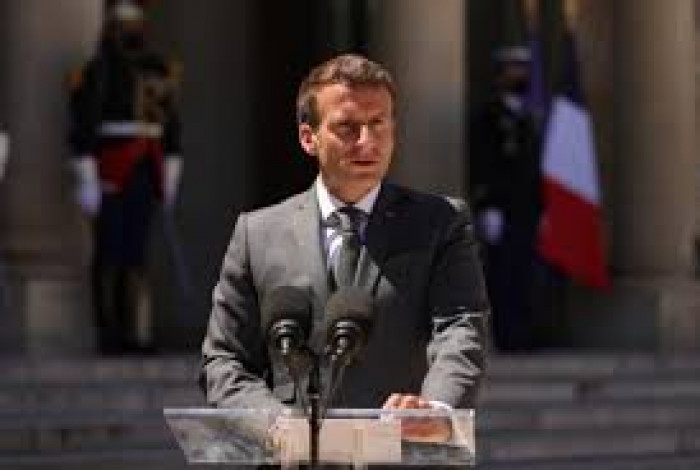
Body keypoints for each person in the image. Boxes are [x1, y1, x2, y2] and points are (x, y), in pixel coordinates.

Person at [200, 53, 489, 455]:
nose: (367, 141)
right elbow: (225, 360)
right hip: (292, 456)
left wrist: (436, 408)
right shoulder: (257, 234)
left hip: (402, 451)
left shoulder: (441, 222)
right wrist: (274, 424)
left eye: (378, 124)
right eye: (347, 127)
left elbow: (460, 328)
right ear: (309, 137)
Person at [68, 0, 183, 354]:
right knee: (109, 249)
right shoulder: (97, 72)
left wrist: (170, 175)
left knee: (136, 252)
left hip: (145, 167)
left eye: (134, 25)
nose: (130, 33)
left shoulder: (159, 70)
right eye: (123, 26)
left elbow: (171, 127)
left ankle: (137, 332)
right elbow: (83, 125)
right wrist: (87, 176)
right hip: (111, 167)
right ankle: (109, 332)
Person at [469, 45, 541, 352]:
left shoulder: (529, 117)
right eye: (513, 69)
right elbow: (484, 163)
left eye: (523, 69)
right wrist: (487, 204)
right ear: (500, 75)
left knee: (525, 272)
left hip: (526, 209)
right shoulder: (490, 117)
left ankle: (525, 333)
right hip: (500, 207)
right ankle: (506, 334)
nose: (520, 75)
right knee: (502, 273)